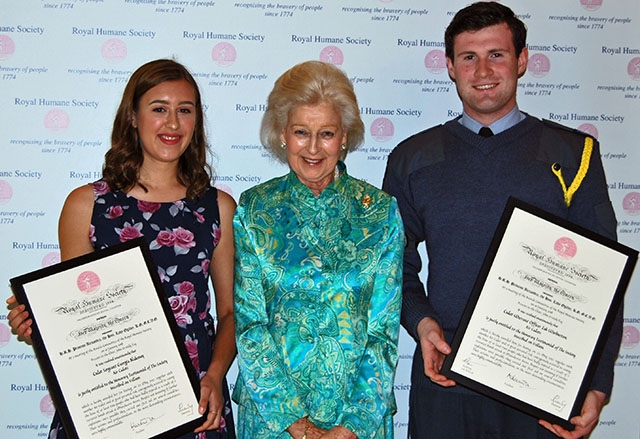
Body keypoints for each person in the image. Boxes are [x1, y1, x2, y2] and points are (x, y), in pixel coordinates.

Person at [382, 2, 621, 439]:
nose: (483, 69)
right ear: (451, 67)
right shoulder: (411, 159)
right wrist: (422, 324)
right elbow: (391, 264)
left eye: (497, 54)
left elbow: (602, 280)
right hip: (446, 373)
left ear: (522, 60)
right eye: (469, 57)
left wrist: (598, 381)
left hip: (544, 384)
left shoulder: (574, 154)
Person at [6, 58, 237, 438]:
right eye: (159, 109)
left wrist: (215, 377)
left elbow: (229, 314)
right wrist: (38, 324)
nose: (173, 123)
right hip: (109, 400)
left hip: (195, 397)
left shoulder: (219, 208)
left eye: (185, 110)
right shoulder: (86, 206)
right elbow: (73, 320)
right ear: (132, 116)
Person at [232, 60, 405, 439]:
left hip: (358, 423)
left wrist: (349, 427)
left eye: (326, 133)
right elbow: (250, 327)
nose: (313, 148)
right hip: (273, 423)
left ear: (344, 136)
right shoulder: (253, 209)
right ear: (282, 133)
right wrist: (299, 427)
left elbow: (383, 332)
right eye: (300, 132)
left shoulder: (380, 213)